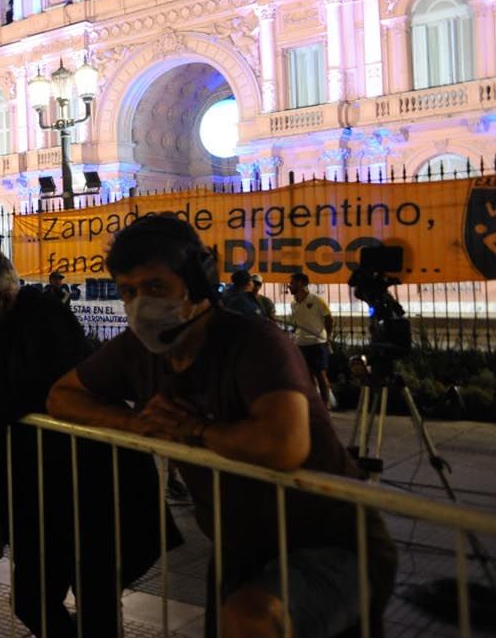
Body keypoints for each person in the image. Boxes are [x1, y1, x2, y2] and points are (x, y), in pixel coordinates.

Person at [47, 215, 396, 638]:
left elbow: (284, 444)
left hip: (331, 542)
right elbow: (62, 397)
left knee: (249, 621)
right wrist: (140, 423)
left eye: (155, 287)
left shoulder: (255, 342)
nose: (140, 303)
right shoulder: (138, 351)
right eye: (128, 291)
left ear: (197, 280)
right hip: (237, 549)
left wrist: (196, 431)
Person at [0, 247, 171, 638]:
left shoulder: (46, 319)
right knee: (31, 600)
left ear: (4, 297)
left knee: (95, 602)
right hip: (36, 490)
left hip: (91, 483)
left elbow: (46, 387)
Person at [288, 272, 337, 409]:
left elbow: (329, 319)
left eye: (292, 283)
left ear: (302, 284)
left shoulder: (317, 300)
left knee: (321, 375)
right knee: (307, 376)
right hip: (300, 344)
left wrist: (327, 337)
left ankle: (325, 404)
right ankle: (314, 405)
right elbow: (298, 323)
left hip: (317, 343)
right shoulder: (293, 304)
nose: (289, 286)